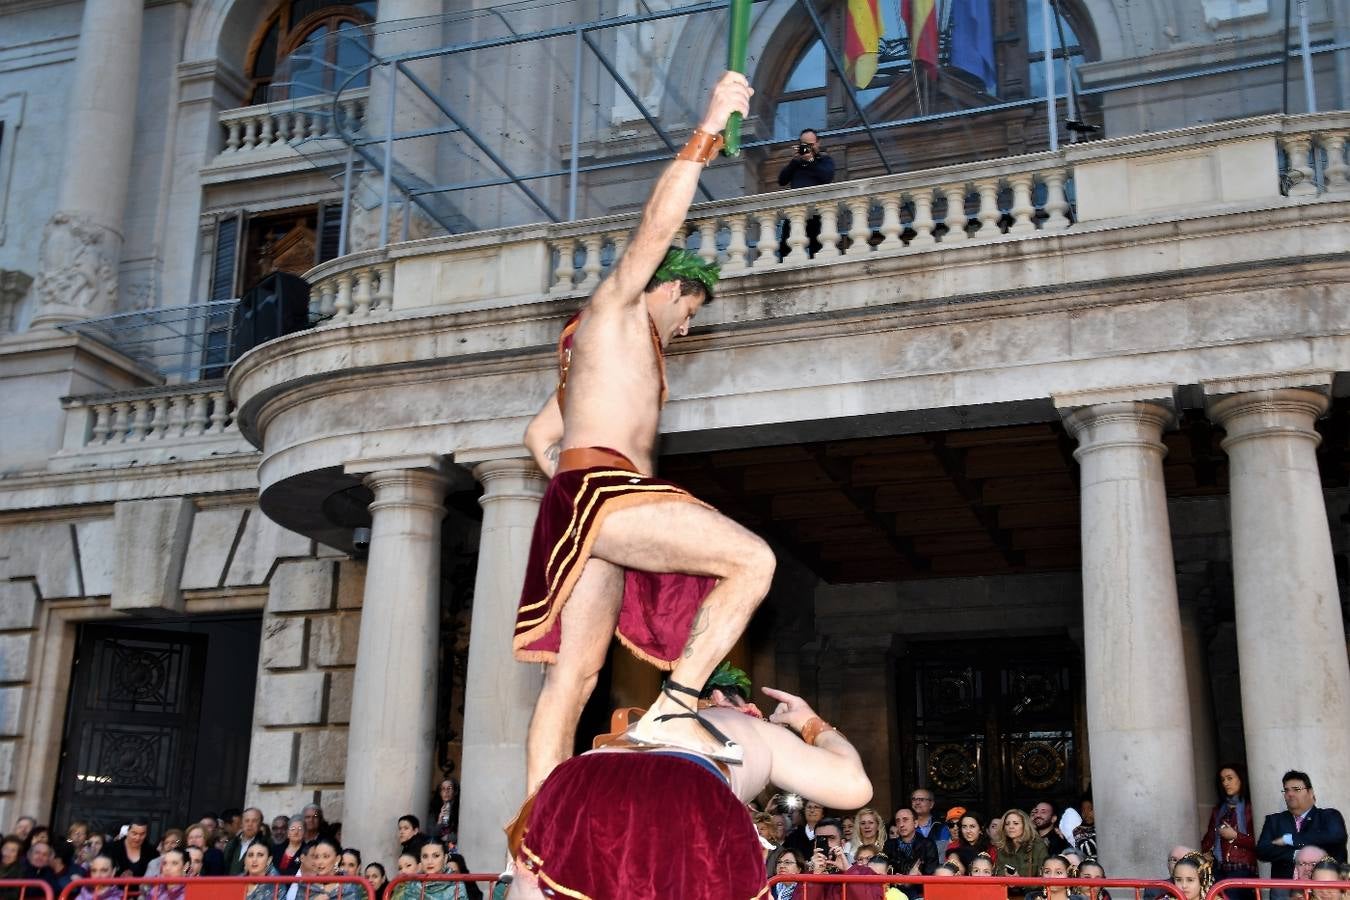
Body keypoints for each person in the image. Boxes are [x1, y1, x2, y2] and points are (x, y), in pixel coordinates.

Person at [515, 69, 765, 794]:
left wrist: (566, 490)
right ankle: (674, 709)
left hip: (584, 501)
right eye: (692, 308)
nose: (689, 324)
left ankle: (536, 828)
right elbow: (656, 228)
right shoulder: (617, 309)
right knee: (753, 561)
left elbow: (539, 437)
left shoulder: (590, 352)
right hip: (604, 492)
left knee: (577, 674)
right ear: (670, 284)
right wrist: (711, 127)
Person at [508, 681, 872, 900]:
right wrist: (809, 722)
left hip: (581, 774)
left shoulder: (645, 724)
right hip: (683, 783)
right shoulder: (747, 724)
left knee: (538, 883)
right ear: (719, 698)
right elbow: (854, 787)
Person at [1258, 771, 1348, 882]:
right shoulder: (1274, 820)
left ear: (1310, 792)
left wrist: (1291, 839)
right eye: (1286, 790)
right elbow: (1262, 850)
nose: (1290, 794)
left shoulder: (1329, 816)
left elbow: (1336, 836)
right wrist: (1297, 854)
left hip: (1324, 888)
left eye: (1296, 789)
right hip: (1285, 890)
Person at [776, 128, 835, 258]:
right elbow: (782, 180)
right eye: (805, 145)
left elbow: (827, 177)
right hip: (795, 213)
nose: (808, 148)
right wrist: (794, 161)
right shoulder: (796, 163)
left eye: (811, 144)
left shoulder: (824, 160)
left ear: (818, 143)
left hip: (817, 214)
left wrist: (810, 160)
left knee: (819, 250)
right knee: (787, 251)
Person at [1203, 763, 1257, 900]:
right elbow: (1208, 839)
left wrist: (1235, 836)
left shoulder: (1251, 808)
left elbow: (1261, 843)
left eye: (1229, 778)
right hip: (1219, 867)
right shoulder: (1219, 810)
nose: (1226, 783)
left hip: (1243, 868)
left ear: (1241, 779)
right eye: (1223, 780)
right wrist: (1206, 851)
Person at [997, 809, 1048, 889]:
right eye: (1007, 824)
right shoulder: (1002, 848)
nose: (1011, 827)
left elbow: (1044, 879)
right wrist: (1005, 877)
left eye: (1016, 823)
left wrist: (1020, 882)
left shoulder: (1038, 846)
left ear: (1025, 826)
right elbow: (997, 875)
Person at [883, 808, 939, 876]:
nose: (901, 825)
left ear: (915, 823)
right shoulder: (889, 845)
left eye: (905, 820)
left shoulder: (928, 845)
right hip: (894, 886)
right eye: (898, 821)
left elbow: (931, 875)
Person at [226, 808, 267, 876]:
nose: (250, 824)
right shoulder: (231, 844)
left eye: (254, 821)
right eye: (247, 821)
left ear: (260, 825)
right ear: (241, 824)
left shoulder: (265, 844)